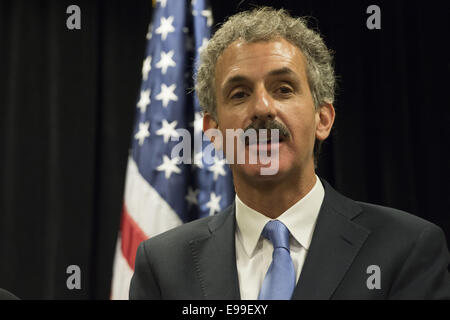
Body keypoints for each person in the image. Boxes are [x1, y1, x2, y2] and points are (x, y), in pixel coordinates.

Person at [129, 7, 450, 299]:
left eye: (283, 89)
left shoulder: (406, 248)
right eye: (239, 94)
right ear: (213, 134)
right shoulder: (163, 266)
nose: (262, 108)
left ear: (322, 119)